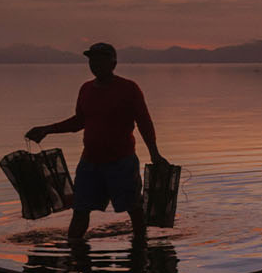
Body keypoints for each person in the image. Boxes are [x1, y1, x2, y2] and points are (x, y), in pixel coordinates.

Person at [25, 42, 168, 241]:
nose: (94, 63)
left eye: (100, 59)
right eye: (92, 59)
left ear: (113, 63)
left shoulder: (129, 89)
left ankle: (140, 249)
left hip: (121, 162)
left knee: (134, 209)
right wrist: (48, 129)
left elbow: (144, 122)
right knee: (80, 211)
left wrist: (154, 153)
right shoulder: (86, 89)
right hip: (90, 164)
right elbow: (79, 121)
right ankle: (75, 250)